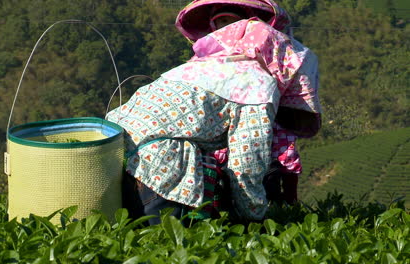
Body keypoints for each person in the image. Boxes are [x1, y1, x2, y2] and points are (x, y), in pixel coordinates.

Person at [106, 0, 321, 224]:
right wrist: (256, 219)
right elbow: (247, 164)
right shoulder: (256, 83)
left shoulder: (196, 67)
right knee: (165, 248)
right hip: (159, 166)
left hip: (112, 154)